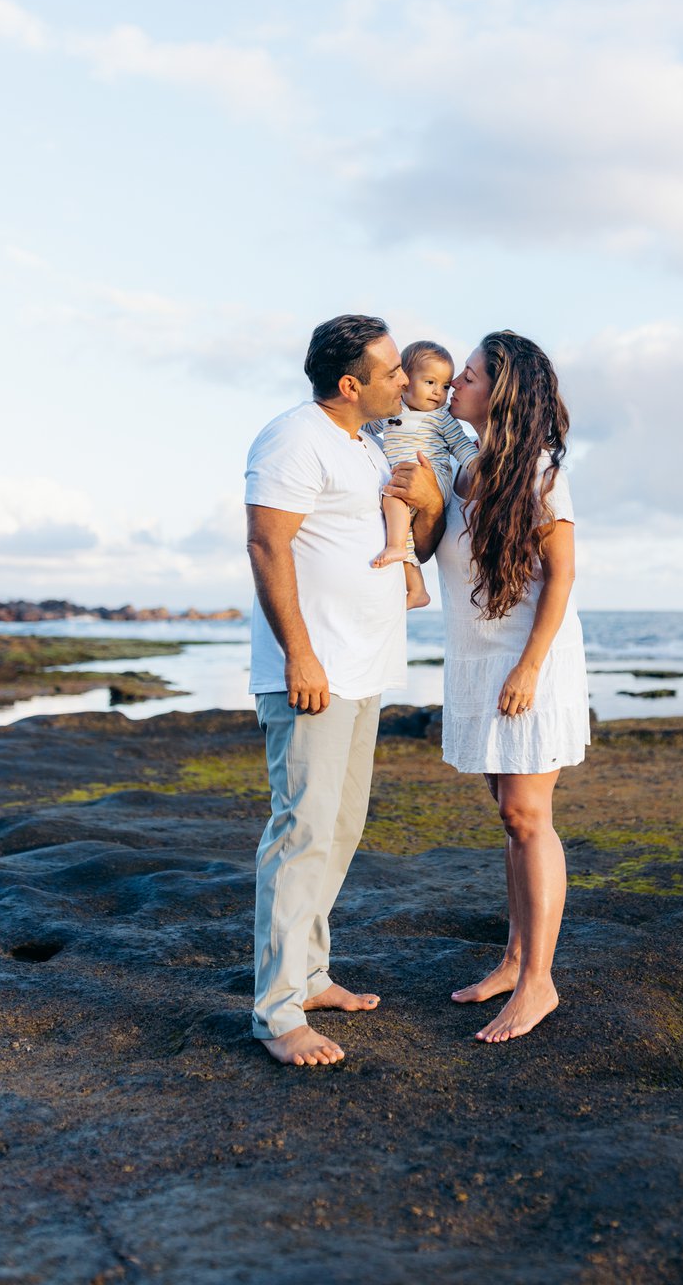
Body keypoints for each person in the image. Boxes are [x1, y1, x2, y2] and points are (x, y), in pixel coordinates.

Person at [244, 314, 441, 1068]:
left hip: (365, 671)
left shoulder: (364, 446)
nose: (406, 380)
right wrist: (300, 656)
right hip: (315, 672)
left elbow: (412, 542)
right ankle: (278, 1013)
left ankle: (311, 975)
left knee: (340, 830)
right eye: (393, 371)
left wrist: (424, 499)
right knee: (301, 834)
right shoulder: (294, 437)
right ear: (351, 383)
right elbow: (268, 543)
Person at [389, 330, 590, 1043]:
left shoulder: (539, 472)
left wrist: (531, 667)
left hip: (527, 666)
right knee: (509, 819)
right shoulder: (467, 466)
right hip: (477, 663)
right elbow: (424, 554)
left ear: (498, 392)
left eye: (468, 376)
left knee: (528, 817)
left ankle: (540, 983)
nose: (454, 387)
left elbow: (562, 575)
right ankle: (513, 960)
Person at [368, 339, 478, 610]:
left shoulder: (441, 417)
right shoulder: (392, 410)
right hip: (404, 482)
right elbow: (364, 425)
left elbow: (460, 444)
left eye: (443, 385)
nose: (439, 393)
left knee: (391, 501)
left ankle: (396, 550)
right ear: (405, 378)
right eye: (430, 382)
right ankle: (416, 589)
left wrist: (478, 466)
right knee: (399, 524)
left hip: (433, 477)